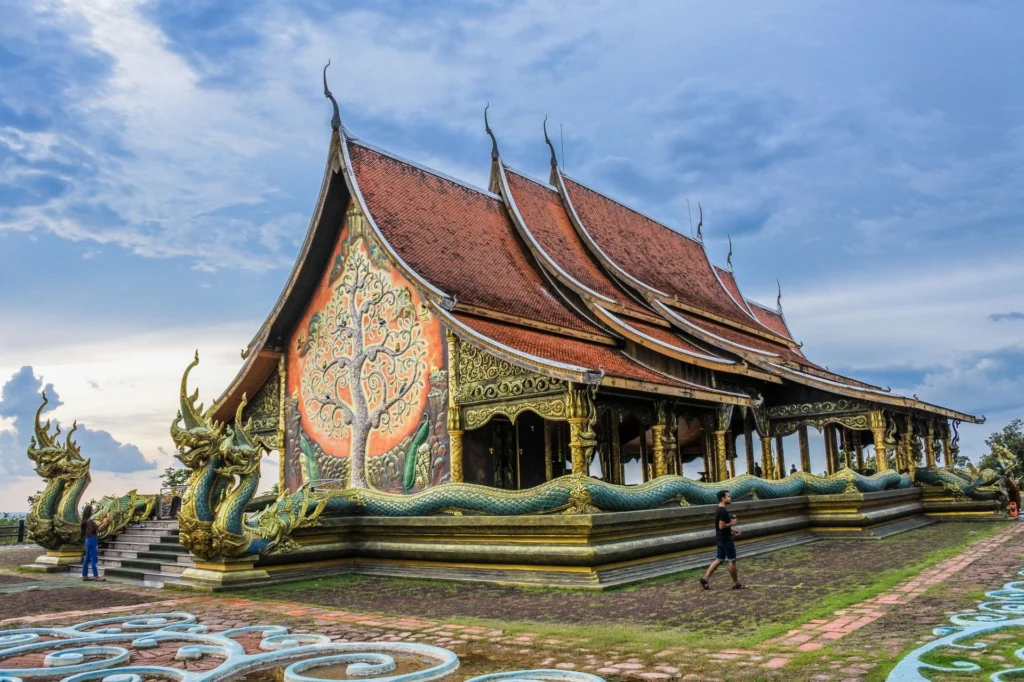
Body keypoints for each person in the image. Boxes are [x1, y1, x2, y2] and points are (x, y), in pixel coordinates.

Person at [700, 490, 745, 590]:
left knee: (719, 559)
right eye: (728, 496)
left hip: (720, 538)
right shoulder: (722, 511)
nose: (730, 498)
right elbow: (721, 526)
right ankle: (736, 583)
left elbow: (721, 527)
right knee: (732, 560)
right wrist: (733, 523)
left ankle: (705, 578)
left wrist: (732, 531)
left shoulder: (719, 510)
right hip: (725, 539)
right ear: (722, 498)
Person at [80, 505, 107, 582]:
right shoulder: (90, 521)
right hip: (92, 540)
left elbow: (96, 527)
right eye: (92, 510)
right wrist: (105, 522)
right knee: (94, 559)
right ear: (89, 511)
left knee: (87, 558)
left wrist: (102, 521)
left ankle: (84, 575)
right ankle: (96, 576)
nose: (93, 511)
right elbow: (98, 528)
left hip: (88, 540)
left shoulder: (85, 521)